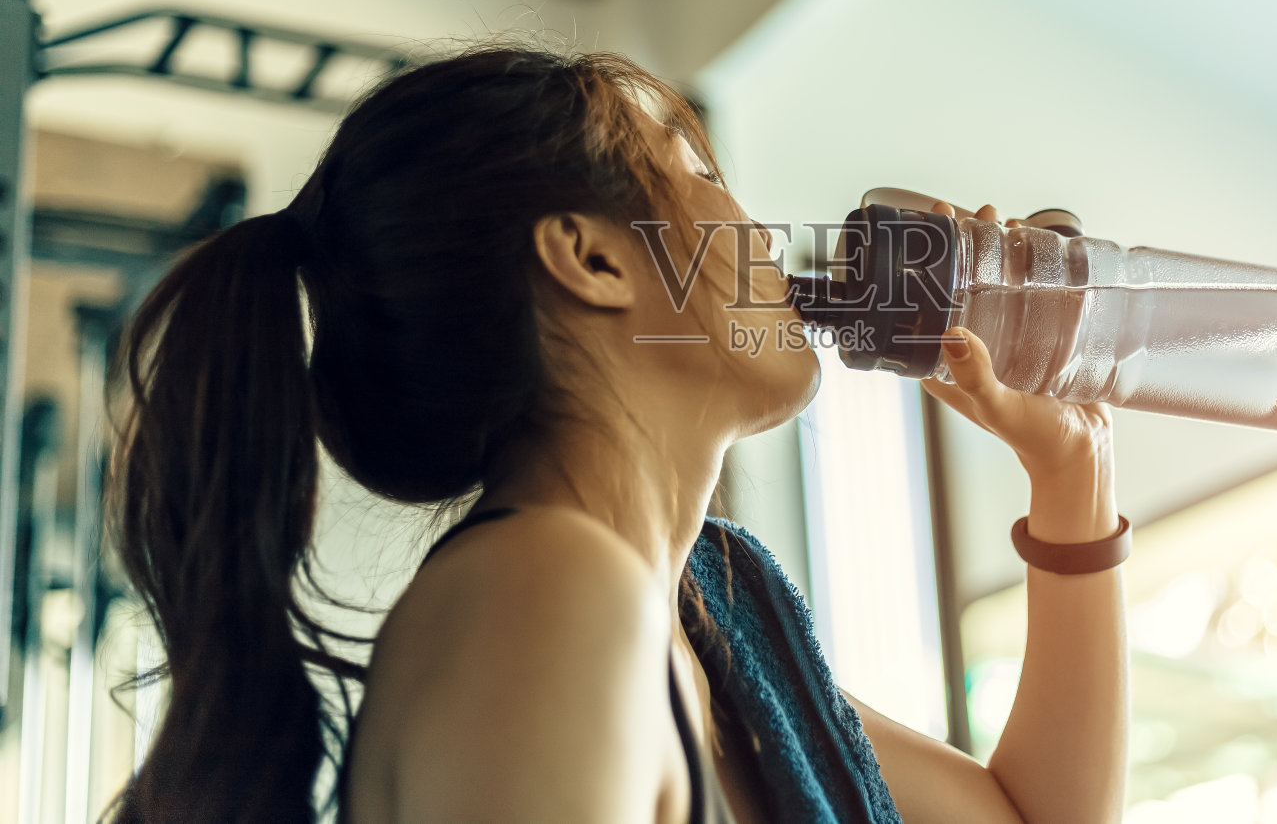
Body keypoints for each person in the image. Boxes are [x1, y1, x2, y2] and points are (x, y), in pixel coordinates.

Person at [103, 46, 1128, 823]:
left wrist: (1069, 468)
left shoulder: (712, 610)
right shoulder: (542, 593)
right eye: (701, 174)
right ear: (591, 258)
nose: (762, 233)